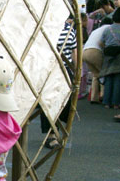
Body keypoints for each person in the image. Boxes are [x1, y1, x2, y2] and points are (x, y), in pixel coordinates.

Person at [41, 14, 77, 148]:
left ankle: (59, 129)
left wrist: (76, 69)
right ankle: (50, 135)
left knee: (66, 102)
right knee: (49, 102)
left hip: (66, 70)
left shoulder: (70, 28)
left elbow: (74, 50)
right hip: (49, 70)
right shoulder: (47, 25)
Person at [82, 17, 113, 103]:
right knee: (104, 73)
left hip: (85, 52)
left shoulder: (96, 30)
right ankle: (103, 95)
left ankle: (94, 98)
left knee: (96, 75)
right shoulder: (109, 28)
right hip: (95, 52)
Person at [99, 7, 120, 112]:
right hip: (119, 57)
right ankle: (116, 104)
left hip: (108, 56)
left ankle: (106, 102)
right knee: (117, 80)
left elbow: (100, 42)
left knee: (108, 79)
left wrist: (107, 48)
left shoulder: (108, 29)